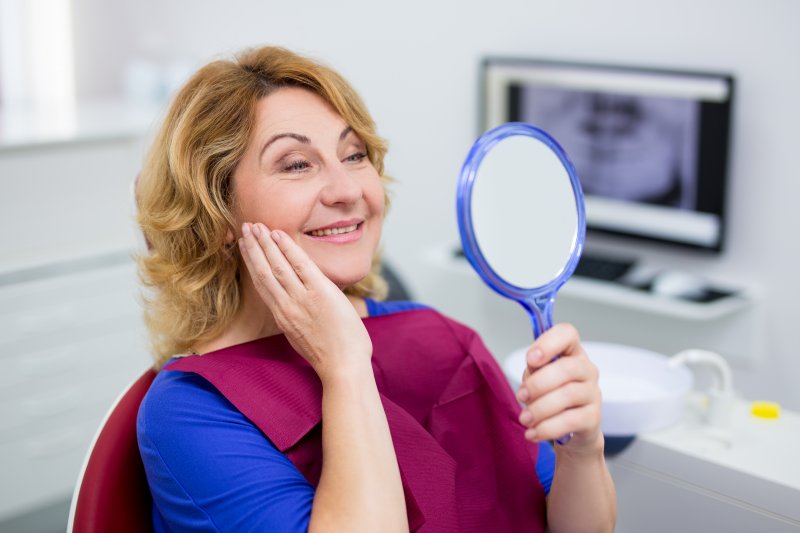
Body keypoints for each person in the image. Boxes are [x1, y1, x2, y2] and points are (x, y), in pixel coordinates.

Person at [135, 45, 616, 532]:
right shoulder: (190, 410)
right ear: (216, 214)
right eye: (297, 164)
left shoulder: (442, 339)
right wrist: (344, 367)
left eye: (354, 155)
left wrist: (584, 451)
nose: (348, 191)